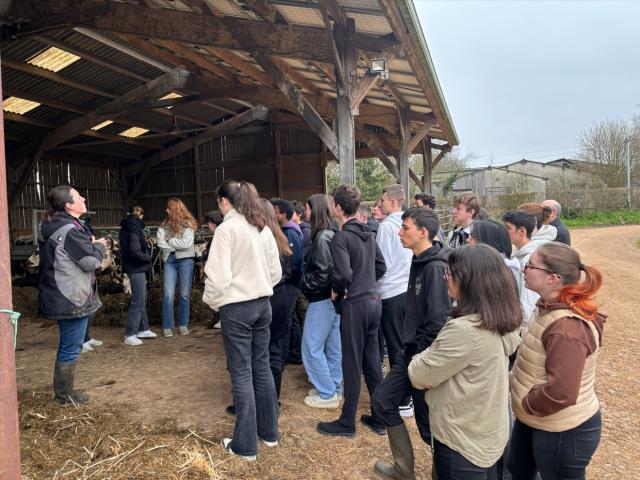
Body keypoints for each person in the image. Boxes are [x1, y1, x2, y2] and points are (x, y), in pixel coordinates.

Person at [408, 245, 522, 479]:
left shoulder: (465, 330)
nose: (444, 277)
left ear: (469, 280)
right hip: (490, 432)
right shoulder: (503, 319)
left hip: (461, 441)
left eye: (450, 273)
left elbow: (419, 374)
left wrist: (420, 356)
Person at [508, 242, 605, 479]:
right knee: (518, 468)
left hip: (562, 430)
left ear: (553, 278)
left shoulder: (566, 328)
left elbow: (561, 392)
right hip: (538, 420)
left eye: (530, 266)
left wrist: (526, 402)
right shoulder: (547, 307)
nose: (523, 270)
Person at [203, 180, 282, 461]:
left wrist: (213, 303)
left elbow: (218, 278)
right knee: (261, 367)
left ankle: (246, 445)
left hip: (237, 308)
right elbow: (275, 272)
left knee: (241, 373)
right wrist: (260, 287)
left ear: (225, 202)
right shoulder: (262, 227)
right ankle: (269, 433)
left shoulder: (227, 230)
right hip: (263, 304)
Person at [369, 207, 451, 479]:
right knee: (382, 400)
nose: (399, 232)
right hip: (410, 353)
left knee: (430, 428)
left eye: (405, 228)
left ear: (423, 232)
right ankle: (404, 470)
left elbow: (437, 322)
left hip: (424, 359)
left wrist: (422, 360)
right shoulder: (418, 261)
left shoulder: (436, 267)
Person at [316, 184, 387, 437]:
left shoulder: (341, 237)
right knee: (372, 364)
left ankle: (347, 423)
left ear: (337, 207)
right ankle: (379, 418)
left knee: (352, 365)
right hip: (374, 302)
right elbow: (381, 267)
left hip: (355, 305)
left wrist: (337, 290)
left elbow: (343, 274)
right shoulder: (368, 234)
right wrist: (365, 281)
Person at [39, 186, 108, 405]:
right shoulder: (69, 229)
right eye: (78, 197)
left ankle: (64, 393)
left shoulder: (55, 226)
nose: (84, 198)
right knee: (71, 346)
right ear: (69, 205)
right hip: (71, 296)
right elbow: (90, 263)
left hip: (61, 292)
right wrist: (99, 247)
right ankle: (64, 396)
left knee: (70, 344)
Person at [301, 194, 342, 409]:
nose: (304, 212)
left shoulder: (321, 237)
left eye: (307, 208)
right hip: (334, 298)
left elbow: (323, 272)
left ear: (314, 210)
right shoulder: (333, 232)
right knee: (333, 346)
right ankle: (334, 387)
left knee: (311, 347)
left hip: (322, 298)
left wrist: (304, 283)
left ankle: (327, 393)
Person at [377, 184, 414, 417]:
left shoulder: (387, 227)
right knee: (404, 342)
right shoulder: (408, 224)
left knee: (394, 346)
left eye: (382, 200)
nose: (379, 204)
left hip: (390, 291)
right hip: (406, 288)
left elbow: (381, 264)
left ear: (393, 202)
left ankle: (403, 398)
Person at [260, 198, 293, 400]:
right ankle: (274, 399)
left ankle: (262, 400)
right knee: (274, 350)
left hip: (268, 297)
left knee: (261, 352)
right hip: (282, 296)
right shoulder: (281, 237)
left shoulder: (262, 239)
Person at [157, 198, 197, 337]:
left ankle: (183, 324)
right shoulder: (163, 225)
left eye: (169, 208)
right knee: (168, 293)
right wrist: (174, 245)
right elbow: (160, 243)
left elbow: (186, 244)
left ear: (174, 210)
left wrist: (170, 240)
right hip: (170, 260)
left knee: (184, 293)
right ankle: (168, 325)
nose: (166, 211)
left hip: (185, 260)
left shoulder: (188, 224)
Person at [503, 210, 552, 326]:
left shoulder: (529, 260)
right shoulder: (519, 254)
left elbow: (528, 302)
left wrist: (522, 330)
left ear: (521, 231)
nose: (504, 232)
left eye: (508, 228)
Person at [272, 198, 305, 366]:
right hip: (289, 282)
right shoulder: (284, 230)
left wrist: (287, 275)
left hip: (291, 283)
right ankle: (295, 352)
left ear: (283, 215)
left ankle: (286, 354)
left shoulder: (290, 232)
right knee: (291, 319)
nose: (274, 214)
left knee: (285, 319)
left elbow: (296, 259)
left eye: (276, 212)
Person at [119, 205, 156, 346]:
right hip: (136, 268)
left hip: (132, 266)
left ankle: (143, 328)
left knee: (141, 298)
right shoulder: (134, 229)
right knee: (138, 301)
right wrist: (148, 257)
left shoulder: (126, 227)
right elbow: (135, 251)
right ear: (140, 215)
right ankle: (130, 334)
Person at [469, 219, 521, 288]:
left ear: (486, 241)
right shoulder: (484, 266)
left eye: (472, 237)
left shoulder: (499, 274)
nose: (467, 240)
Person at [203, 210, 224, 329]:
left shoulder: (219, 237)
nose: (207, 227)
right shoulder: (219, 236)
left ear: (213, 225)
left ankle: (222, 318)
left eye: (208, 225)